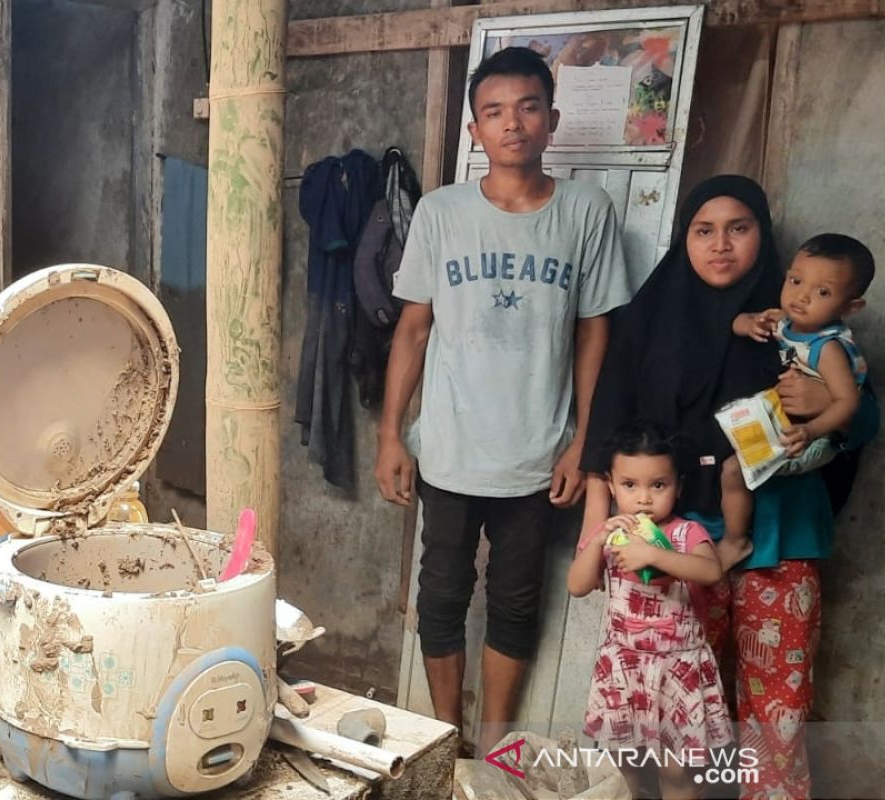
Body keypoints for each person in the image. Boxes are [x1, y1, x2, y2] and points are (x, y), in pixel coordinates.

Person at [581, 175, 878, 799]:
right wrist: (597, 523)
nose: (721, 245)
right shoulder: (649, 318)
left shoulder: (798, 314)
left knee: (776, 717)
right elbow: (611, 424)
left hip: (780, 542)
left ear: (762, 236)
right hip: (678, 548)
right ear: (683, 237)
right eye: (703, 230)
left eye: (739, 229)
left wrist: (830, 402)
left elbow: (863, 415)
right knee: (680, 719)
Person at [373, 46, 631, 751]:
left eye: (526, 107)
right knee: (442, 594)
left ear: (552, 118)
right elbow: (414, 331)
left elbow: (593, 334)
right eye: (493, 111)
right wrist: (392, 434)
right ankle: (446, 735)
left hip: (538, 457)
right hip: (449, 451)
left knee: (517, 602)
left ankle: (492, 747)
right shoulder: (441, 211)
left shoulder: (586, 211)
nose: (511, 123)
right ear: (474, 130)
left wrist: (584, 441)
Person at [568, 420, 729, 800]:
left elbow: (710, 570)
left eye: (658, 485)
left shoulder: (686, 534)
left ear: (679, 486)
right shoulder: (609, 534)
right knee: (621, 768)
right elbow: (576, 586)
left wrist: (654, 554)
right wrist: (599, 539)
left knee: (676, 772)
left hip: (676, 672)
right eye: (629, 485)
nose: (643, 499)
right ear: (610, 485)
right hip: (624, 669)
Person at [717, 233, 875, 569]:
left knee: (734, 469)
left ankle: (735, 539)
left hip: (814, 439)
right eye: (795, 280)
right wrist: (749, 323)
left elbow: (849, 403)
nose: (801, 297)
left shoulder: (827, 348)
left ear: (850, 307)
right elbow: (739, 321)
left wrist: (813, 430)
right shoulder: (788, 322)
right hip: (795, 427)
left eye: (822, 292)